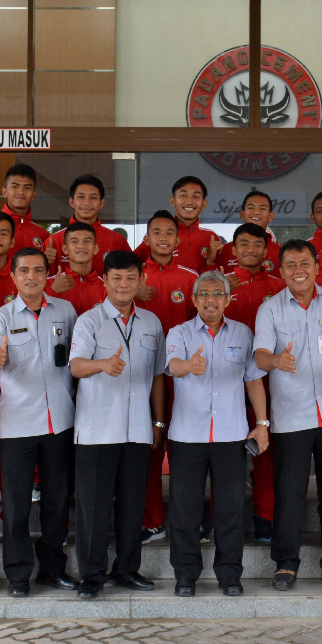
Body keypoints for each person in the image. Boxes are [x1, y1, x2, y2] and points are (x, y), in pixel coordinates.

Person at [254, 239, 322, 593]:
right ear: (280, 271)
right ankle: (285, 564)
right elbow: (259, 356)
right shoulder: (270, 310)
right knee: (289, 494)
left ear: (316, 266)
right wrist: (275, 362)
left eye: (304, 263)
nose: (298, 271)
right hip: (290, 416)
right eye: (290, 265)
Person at [68, 250, 167, 599]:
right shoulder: (89, 321)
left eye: (130, 278)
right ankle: (92, 576)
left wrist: (157, 421)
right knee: (93, 508)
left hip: (138, 429)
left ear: (141, 280)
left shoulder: (152, 323)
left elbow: (158, 376)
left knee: (131, 505)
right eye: (117, 278)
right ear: (105, 281)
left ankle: (126, 569)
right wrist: (102, 365)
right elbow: (76, 366)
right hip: (97, 430)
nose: (124, 285)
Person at [166, 270, 269, 597]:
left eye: (217, 294)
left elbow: (253, 381)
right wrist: (189, 367)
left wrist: (262, 424)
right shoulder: (179, 332)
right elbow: (173, 365)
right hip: (187, 435)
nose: (211, 300)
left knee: (229, 510)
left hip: (231, 436)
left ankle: (229, 575)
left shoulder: (243, 333)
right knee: (185, 511)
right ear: (194, 300)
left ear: (227, 299)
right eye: (204, 295)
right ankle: (185, 576)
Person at [0, 247, 77, 598]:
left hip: (61, 422)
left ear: (48, 274)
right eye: (24, 271)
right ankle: (19, 573)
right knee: (18, 504)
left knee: (56, 501)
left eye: (39, 270)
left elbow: (76, 358)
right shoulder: (0, 317)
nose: (32, 277)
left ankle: (52, 569)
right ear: (14, 276)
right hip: (18, 426)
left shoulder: (65, 311)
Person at [135, 210, 200, 542]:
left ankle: (189, 521)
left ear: (177, 239)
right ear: (146, 239)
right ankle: (152, 519)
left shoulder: (190, 278)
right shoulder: (133, 276)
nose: (163, 237)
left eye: (169, 232)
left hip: (181, 378)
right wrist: (135, 294)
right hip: (140, 378)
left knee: (185, 451)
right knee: (149, 448)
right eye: (156, 231)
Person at [222, 222, 285, 542]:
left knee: (265, 454)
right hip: (225, 384)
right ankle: (226, 521)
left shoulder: (279, 286)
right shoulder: (218, 287)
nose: (250, 249)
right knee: (226, 456)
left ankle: (265, 517)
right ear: (232, 250)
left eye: (256, 244)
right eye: (243, 244)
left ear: (266, 250)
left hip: (267, 384)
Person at [43, 174, 132, 274]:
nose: (87, 202)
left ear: (101, 203)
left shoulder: (117, 241)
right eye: (81, 197)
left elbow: (131, 274)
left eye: (93, 197)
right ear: (72, 202)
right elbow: (42, 282)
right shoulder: (54, 241)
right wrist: (44, 262)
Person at [136, 176, 224, 271]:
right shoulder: (158, 235)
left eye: (196, 196)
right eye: (183, 195)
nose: (189, 201)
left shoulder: (211, 237)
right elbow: (131, 266)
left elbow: (220, 275)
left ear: (204, 204)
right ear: (173, 201)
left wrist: (210, 262)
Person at [0, 162, 51, 257]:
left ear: (34, 195)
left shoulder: (43, 235)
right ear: (4, 192)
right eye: (15, 186)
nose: (20, 192)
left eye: (27, 187)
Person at [46, 221, 107, 313]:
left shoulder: (107, 287)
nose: (81, 245)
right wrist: (53, 291)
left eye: (87, 241)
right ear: (65, 249)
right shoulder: (47, 284)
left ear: (95, 249)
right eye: (75, 241)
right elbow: (32, 316)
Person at [214, 190, 282, 273]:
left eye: (262, 208)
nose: (256, 212)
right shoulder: (224, 250)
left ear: (271, 216)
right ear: (242, 214)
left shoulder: (281, 252)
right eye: (251, 208)